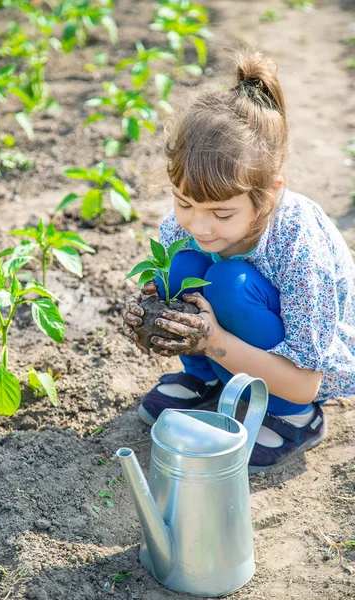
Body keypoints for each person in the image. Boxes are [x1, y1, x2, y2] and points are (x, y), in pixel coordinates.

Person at [122, 51, 355, 473]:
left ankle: (293, 420)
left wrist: (211, 340)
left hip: (301, 376)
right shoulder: (187, 226)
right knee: (179, 269)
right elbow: (173, 283)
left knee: (230, 280)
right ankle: (206, 377)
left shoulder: (298, 239)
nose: (201, 225)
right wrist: (152, 318)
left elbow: (308, 380)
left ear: (268, 194)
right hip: (231, 343)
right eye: (184, 203)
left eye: (222, 213)